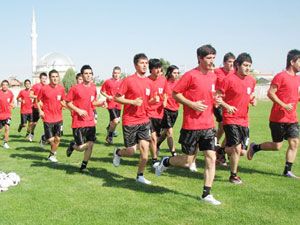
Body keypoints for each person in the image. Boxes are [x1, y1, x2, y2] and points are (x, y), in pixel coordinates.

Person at [155, 45, 221, 205]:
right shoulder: (191, 75)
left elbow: (212, 96)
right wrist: (192, 104)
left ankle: (206, 194)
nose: (212, 61)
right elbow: (175, 93)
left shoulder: (213, 76)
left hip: (208, 125)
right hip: (191, 125)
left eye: (213, 57)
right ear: (199, 58)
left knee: (211, 158)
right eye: (208, 58)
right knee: (187, 161)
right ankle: (166, 162)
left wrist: (216, 101)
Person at [248, 49, 300, 178]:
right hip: (278, 118)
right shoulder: (280, 76)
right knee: (277, 146)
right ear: (292, 62)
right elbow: (270, 93)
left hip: (292, 118)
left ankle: (287, 170)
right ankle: (255, 147)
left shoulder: (298, 79)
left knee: (294, 142)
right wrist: (283, 105)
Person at [112, 53, 153, 185]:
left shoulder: (149, 82)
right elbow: (117, 98)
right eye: (142, 63)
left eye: (146, 63)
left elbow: (148, 100)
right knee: (130, 152)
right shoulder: (128, 80)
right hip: (130, 120)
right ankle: (118, 152)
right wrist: (132, 102)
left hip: (144, 120)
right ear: (135, 65)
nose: (145, 65)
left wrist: (154, 100)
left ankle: (140, 175)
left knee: (145, 153)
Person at [218, 53, 256, 184]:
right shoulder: (228, 79)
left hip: (244, 119)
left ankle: (218, 150)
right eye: (245, 65)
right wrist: (227, 105)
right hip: (230, 118)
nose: (248, 68)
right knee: (236, 148)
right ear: (237, 65)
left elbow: (249, 94)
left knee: (242, 152)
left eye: (249, 66)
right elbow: (217, 98)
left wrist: (253, 99)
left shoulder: (252, 80)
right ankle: (233, 176)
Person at [66, 65, 99, 172]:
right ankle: (72, 145)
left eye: (90, 73)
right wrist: (78, 110)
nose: (88, 75)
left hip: (90, 121)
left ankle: (83, 166)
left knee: (90, 145)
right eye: (86, 73)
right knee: (80, 147)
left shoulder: (94, 87)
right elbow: (68, 102)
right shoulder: (75, 88)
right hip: (78, 122)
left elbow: (92, 103)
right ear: (82, 75)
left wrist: (100, 104)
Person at [37, 70, 66, 162]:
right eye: (53, 76)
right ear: (50, 78)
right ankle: (44, 138)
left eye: (56, 76)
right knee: (52, 139)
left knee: (58, 139)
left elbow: (63, 100)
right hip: (48, 118)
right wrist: (40, 111)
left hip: (59, 118)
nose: (55, 78)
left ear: (59, 77)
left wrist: (68, 107)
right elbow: (37, 101)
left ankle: (51, 155)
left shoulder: (61, 89)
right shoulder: (44, 89)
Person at [214, 52, 236, 166]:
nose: (232, 64)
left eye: (233, 62)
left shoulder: (234, 73)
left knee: (227, 129)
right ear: (224, 62)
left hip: (230, 104)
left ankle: (219, 149)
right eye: (229, 62)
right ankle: (216, 145)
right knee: (224, 126)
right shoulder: (217, 72)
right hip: (219, 103)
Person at [147, 58, 169, 168]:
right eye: (156, 68)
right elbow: (143, 101)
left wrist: (164, 101)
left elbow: (166, 93)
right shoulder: (146, 82)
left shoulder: (163, 80)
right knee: (153, 137)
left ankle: (153, 148)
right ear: (151, 69)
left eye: (159, 67)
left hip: (160, 114)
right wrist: (152, 101)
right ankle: (154, 160)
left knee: (163, 134)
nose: (158, 70)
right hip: (149, 114)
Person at [157, 65, 180, 157]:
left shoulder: (179, 83)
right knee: (170, 132)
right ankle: (174, 153)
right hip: (166, 110)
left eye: (178, 73)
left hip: (175, 110)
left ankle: (156, 144)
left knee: (166, 133)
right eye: (174, 73)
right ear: (170, 73)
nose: (176, 75)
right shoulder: (164, 82)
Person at [100, 66, 122, 145]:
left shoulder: (122, 82)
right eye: (115, 73)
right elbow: (102, 91)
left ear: (120, 74)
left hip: (119, 104)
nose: (116, 75)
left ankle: (109, 129)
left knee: (115, 121)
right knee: (116, 120)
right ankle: (110, 136)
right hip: (111, 103)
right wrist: (107, 96)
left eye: (118, 73)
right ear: (112, 73)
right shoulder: (108, 81)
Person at [29, 72, 48, 141]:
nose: (44, 80)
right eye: (43, 78)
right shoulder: (36, 86)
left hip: (45, 108)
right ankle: (31, 133)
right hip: (36, 107)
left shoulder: (47, 87)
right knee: (34, 123)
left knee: (46, 123)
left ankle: (44, 137)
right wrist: (37, 97)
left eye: (45, 78)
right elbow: (30, 95)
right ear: (40, 78)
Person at [0, 80, 14, 149]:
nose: (4, 86)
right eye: (3, 85)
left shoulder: (10, 93)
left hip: (8, 115)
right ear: (1, 86)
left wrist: (12, 105)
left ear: (8, 86)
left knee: (7, 128)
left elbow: (12, 101)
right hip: (0, 115)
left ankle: (5, 143)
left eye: (6, 85)